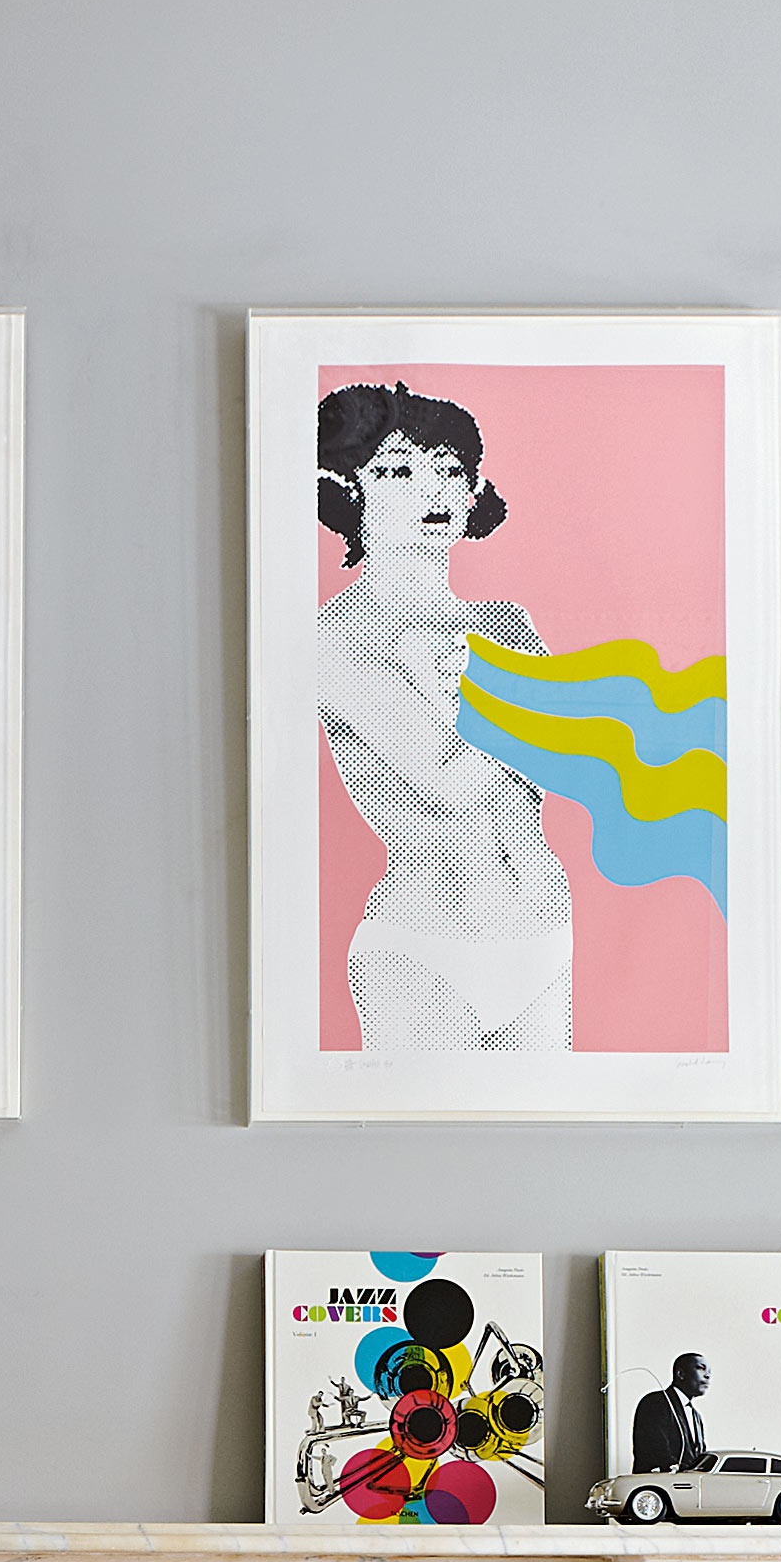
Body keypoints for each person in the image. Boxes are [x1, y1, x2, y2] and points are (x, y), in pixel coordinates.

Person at [310, 380, 570, 1055]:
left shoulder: (504, 622)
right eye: (397, 469)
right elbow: (444, 783)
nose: (430, 490)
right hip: (425, 943)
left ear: (470, 493)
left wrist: (510, 706)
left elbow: (569, 754)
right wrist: (515, 701)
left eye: (448, 470)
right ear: (347, 489)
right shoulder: (329, 638)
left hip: (541, 924)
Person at [629, 1350, 715, 1475]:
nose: (707, 1376)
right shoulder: (655, 1402)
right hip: (658, 1486)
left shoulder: (696, 1416)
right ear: (680, 1374)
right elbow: (654, 1450)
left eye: (709, 1372)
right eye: (701, 1368)